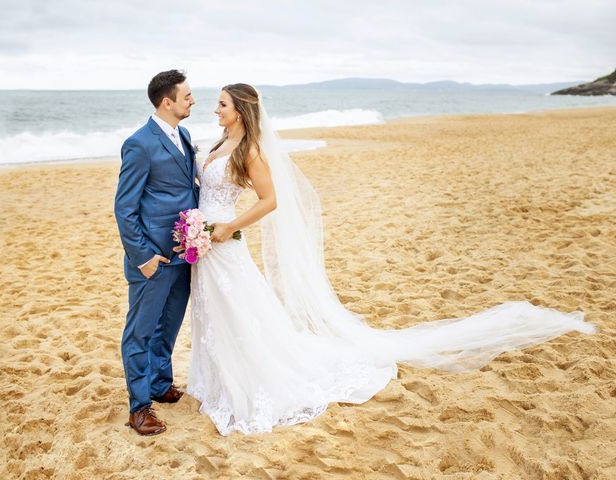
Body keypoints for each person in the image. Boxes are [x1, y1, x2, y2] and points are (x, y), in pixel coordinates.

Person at [182, 83, 596, 436]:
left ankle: (251, 381)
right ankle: (217, 380)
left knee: (239, 310)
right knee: (214, 312)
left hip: (225, 241)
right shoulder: (220, 143)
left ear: (240, 110)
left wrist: (227, 226)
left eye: (222, 103)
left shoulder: (251, 150)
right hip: (206, 242)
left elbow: (271, 200)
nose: (215, 109)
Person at [114, 70, 198, 435]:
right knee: (140, 333)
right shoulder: (139, 143)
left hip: (183, 252)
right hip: (153, 259)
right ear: (168, 102)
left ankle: (160, 385)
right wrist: (143, 256)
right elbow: (125, 207)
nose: (192, 100)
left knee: (169, 325)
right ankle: (139, 407)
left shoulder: (184, 134)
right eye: (187, 96)